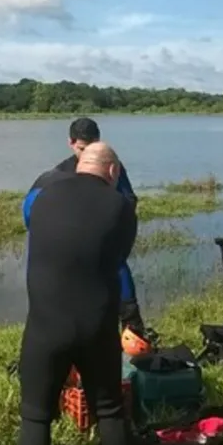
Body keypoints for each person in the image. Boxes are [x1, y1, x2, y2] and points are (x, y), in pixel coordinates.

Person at [18, 142, 139, 445]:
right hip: (96, 326)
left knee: (35, 417)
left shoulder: (43, 197)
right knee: (110, 411)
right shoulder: (121, 206)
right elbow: (118, 256)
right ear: (112, 171)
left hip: (44, 327)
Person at [47, 117, 145, 332]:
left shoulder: (113, 167)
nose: (87, 155)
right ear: (71, 143)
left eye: (92, 147)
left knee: (122, 291)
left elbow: (129, 201)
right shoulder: (59, 174)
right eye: (82, 149)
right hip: (75, 254)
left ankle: (133, 330)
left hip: (108, 247)